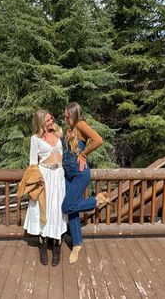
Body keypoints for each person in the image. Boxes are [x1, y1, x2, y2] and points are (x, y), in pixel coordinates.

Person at [62, 102, 108, 264]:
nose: (65, 118)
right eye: (64, 116)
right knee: (72, 210)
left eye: (67, 115)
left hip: (80, 173)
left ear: (74, 114)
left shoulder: (81, 124)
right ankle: (77, 245)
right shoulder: (69, 128)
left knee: (66, 207)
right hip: (68, 174)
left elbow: (98, 140)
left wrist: (83, 154)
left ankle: (97, 200)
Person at [23, 109, 67, 266]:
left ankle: (57, 244)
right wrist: (35, 181)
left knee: (57, 208)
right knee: (44, 208)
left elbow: (70, 152)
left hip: (59, 175)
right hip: (45, 176)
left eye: (51, 118)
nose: (51, 121)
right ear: (40, 122)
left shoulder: (60, 133)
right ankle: (43, 243)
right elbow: (32, 163)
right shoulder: (35, 139)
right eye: (48, 120)